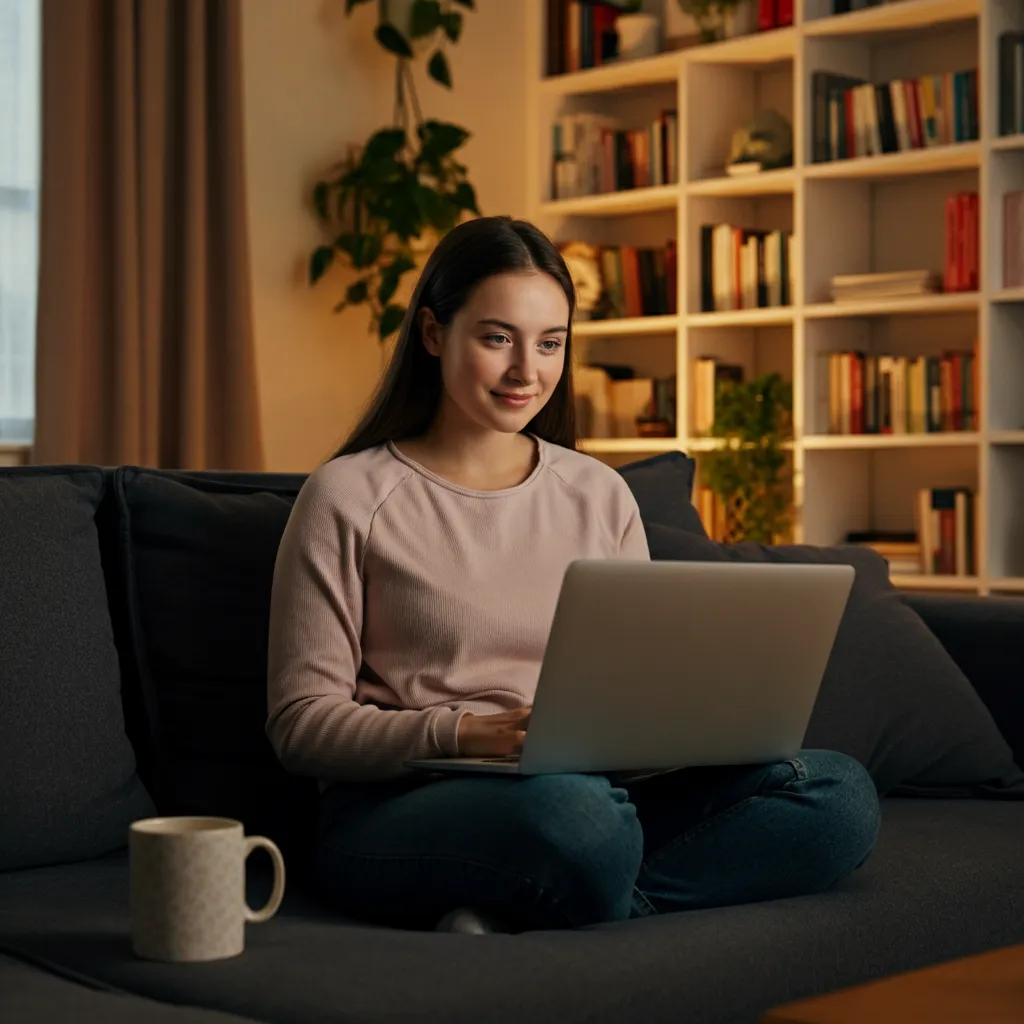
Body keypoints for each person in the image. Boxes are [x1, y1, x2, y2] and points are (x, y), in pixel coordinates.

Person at [266, 215, 881, 934]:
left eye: (550, 343)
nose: (528, 371)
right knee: (576, 819)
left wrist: (672, 730)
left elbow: (633, 688)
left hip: (594, 791)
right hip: (406, 803)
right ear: (434, 334)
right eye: (498, 338)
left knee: (836, 794)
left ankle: (546, 904)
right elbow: (299, 726)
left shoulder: (596, 492)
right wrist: (467, 734)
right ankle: (579, 884)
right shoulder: (348, 495)